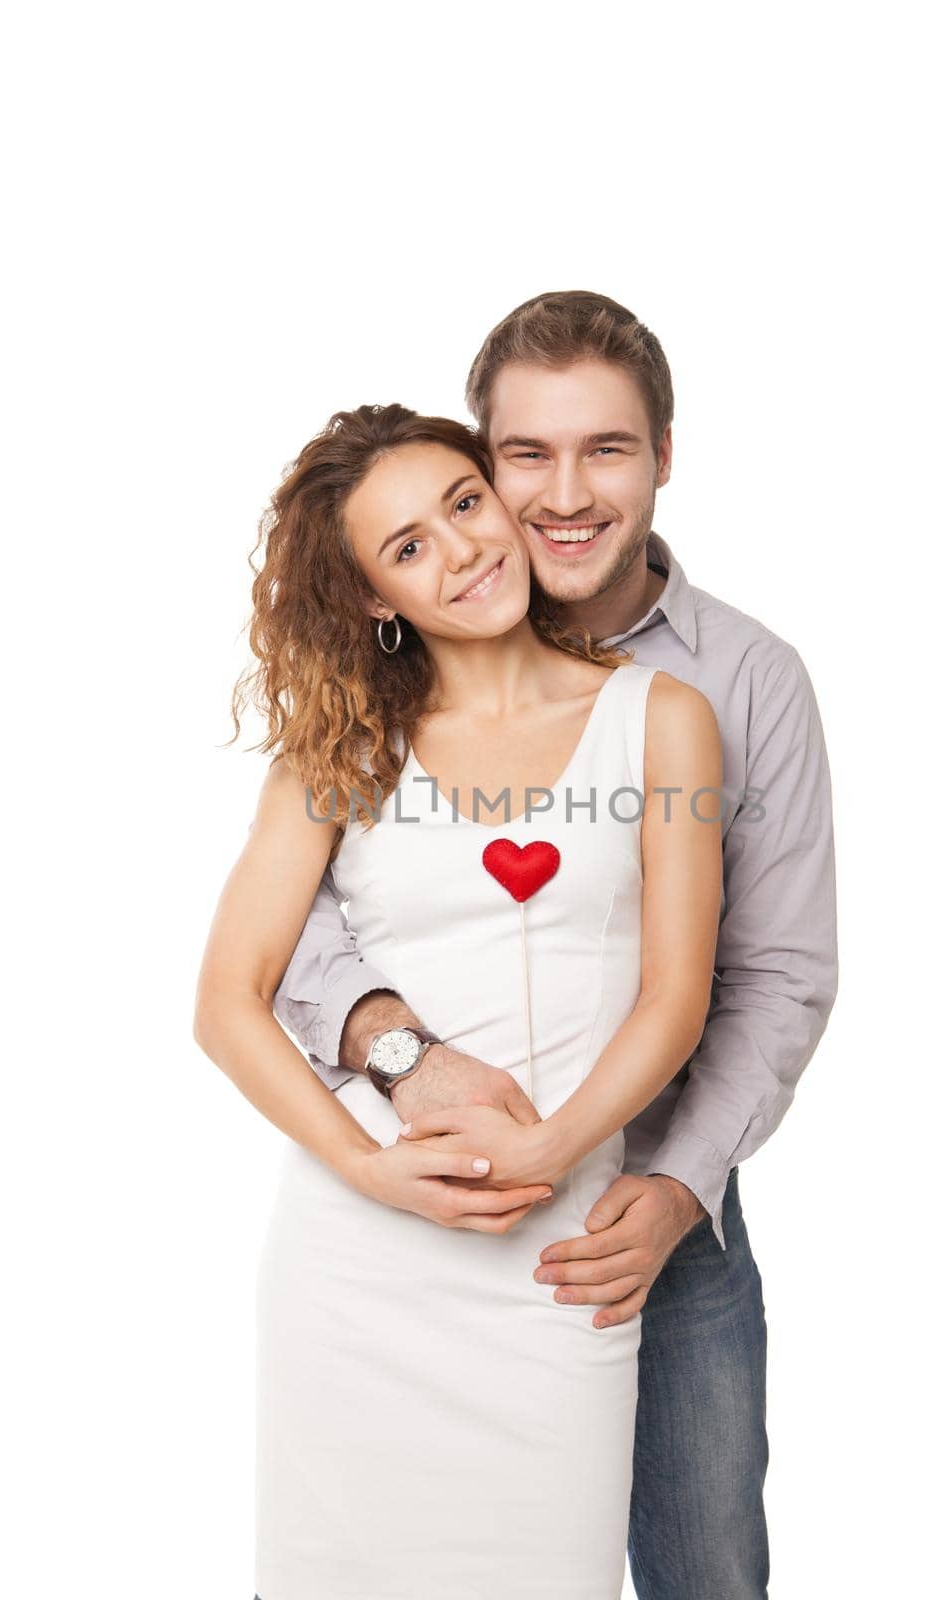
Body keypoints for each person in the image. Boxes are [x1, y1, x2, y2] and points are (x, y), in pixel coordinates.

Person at [273, 290, 839, 1599]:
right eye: (524, 456)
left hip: (651, 1216)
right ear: (480, 464)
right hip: (426, 1224)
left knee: (702, 1570)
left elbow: (774, 973)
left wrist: (679, 1184)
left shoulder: (736, 684)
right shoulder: (388, 666)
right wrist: (396, 1053)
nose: (565, 494)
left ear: (663, 457)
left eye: (608, 449)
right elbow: (292, 924)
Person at [194, 401, 723, 1598]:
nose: (463, 549)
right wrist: (364, 1164)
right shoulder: (341, 747)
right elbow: (229, 997)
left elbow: (675, 994)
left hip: (559, 1258)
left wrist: (548, 1148)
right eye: (408, 547)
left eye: (464, 503)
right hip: (358, 1271)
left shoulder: (660, 719)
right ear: (378, 597)